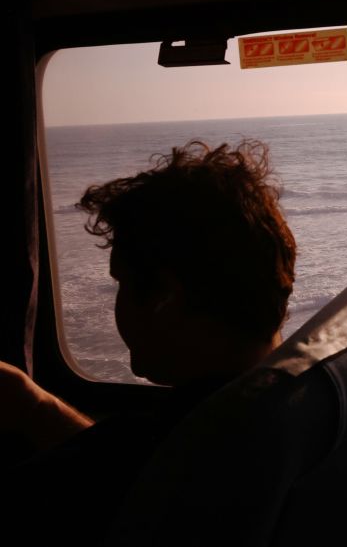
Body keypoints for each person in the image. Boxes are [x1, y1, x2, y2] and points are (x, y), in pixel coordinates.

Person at [0, 139, 296, 541]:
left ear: (165, 298)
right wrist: (34, 406)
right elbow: (121, 468)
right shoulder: (293, 404)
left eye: (120, 284)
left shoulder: (173, 450)